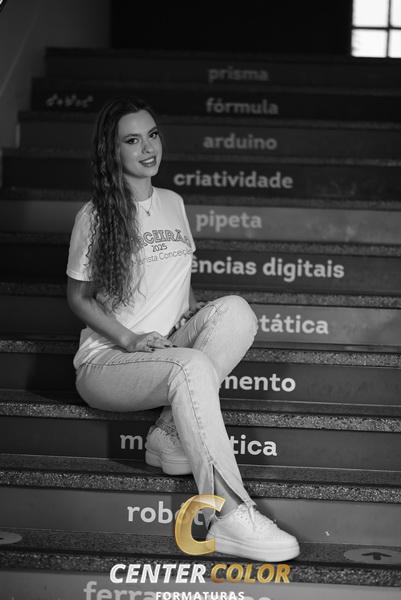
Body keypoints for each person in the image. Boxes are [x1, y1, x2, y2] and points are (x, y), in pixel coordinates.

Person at [66, 98, 299, 562]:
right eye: (133, 140)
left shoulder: (173, 202)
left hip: (165, 349)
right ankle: (228, 513)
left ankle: (167, 433)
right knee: (189, 367)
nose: (148, 148)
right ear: (112, 151)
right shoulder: (94, 217)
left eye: (152, 135)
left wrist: (193, 313)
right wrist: (130, 338)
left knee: (236, 311)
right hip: (108, 363)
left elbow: (177, 277)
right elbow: (78, 298)